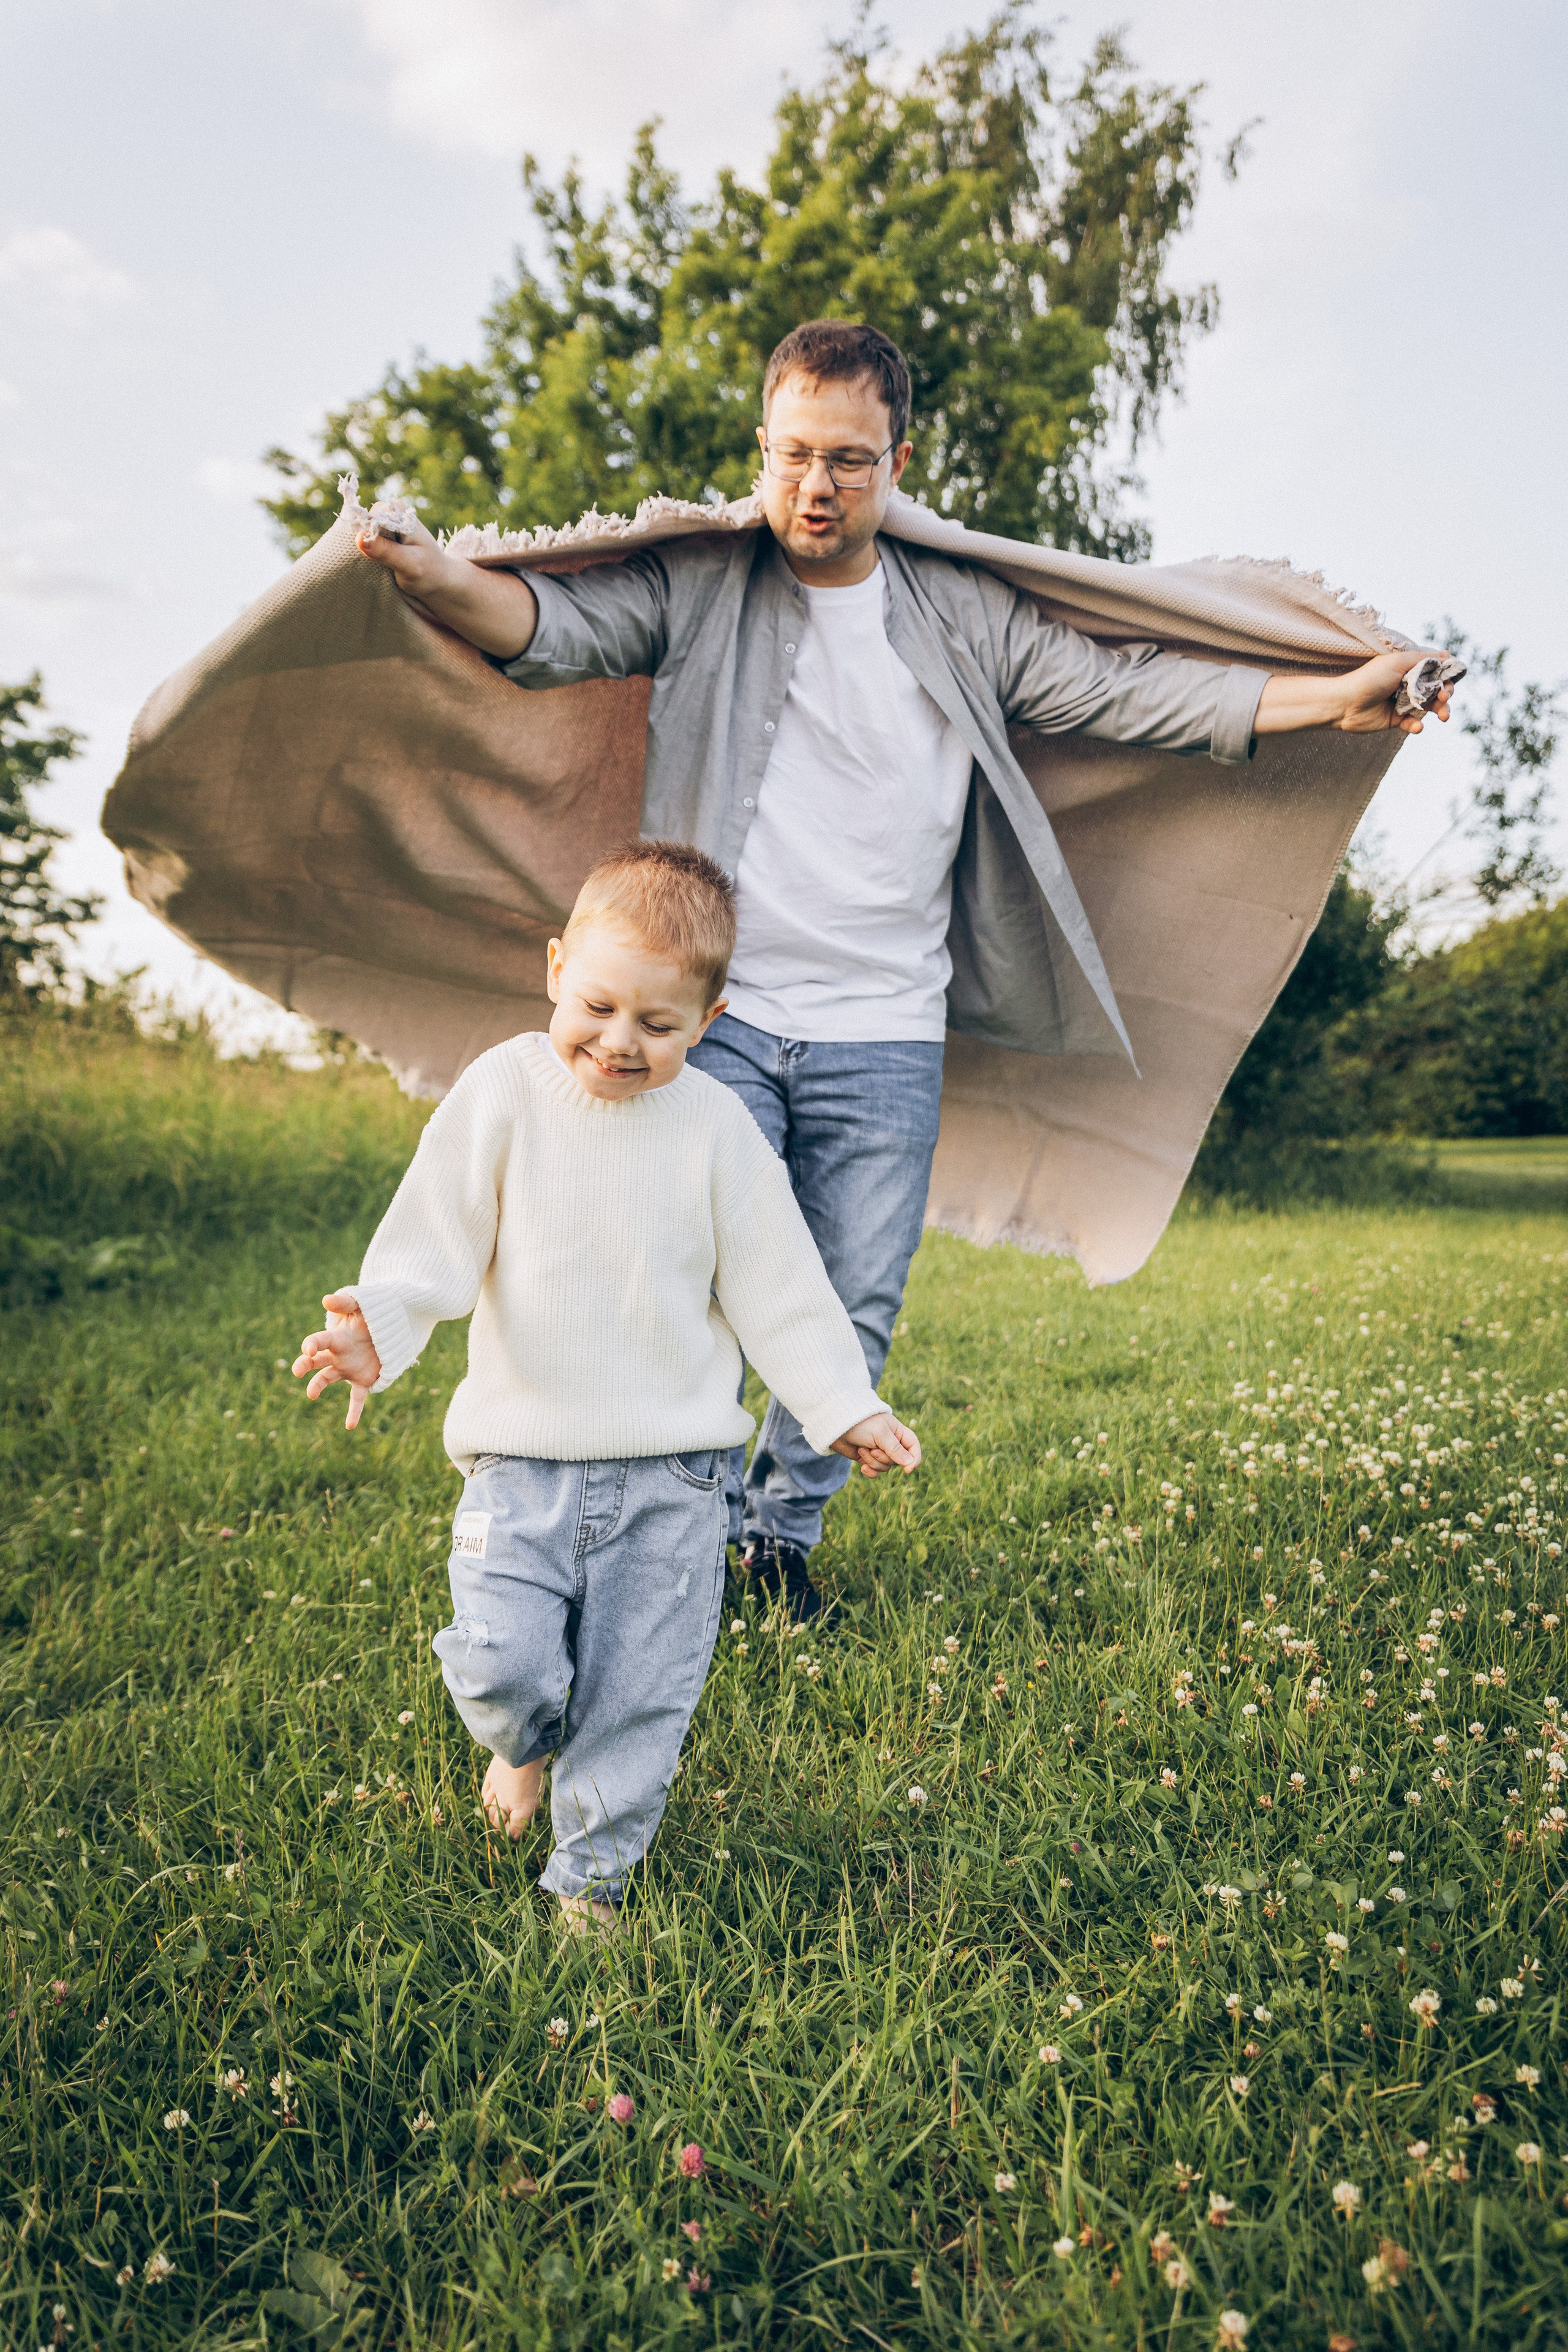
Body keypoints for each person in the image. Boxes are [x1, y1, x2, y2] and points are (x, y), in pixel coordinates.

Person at [350, 318, 1453, 1621]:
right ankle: (666, 1536)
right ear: (761, 451)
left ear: (897, 460)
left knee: (850, 1302)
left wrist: (1334, 699)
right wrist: (426, 572)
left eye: (850, 461)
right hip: (719, 1019)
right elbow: (548, 624)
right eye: (793, 455)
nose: (817, 487)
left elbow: (1127, 692)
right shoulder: (706, 588)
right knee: (680, 1268)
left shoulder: (961, 610)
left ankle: (771, 1544)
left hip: (885, 1028)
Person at [290, 841, 920, 1933]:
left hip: (674, 1479)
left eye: (659, 1025)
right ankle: (525, 1746)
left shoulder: (717, 1131)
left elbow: (782, 1283)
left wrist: (841, 1404)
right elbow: (434, 1236)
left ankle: (591, 1884)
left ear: (710, 1023)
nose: (620, 1043)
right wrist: (375, 1329)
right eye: (598, 1006)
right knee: (500, 1664)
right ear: (554, 970)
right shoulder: (504, 1092)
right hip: (518, 1467)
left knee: (641, 1696)